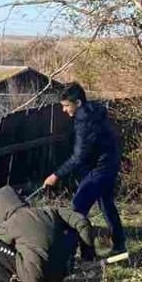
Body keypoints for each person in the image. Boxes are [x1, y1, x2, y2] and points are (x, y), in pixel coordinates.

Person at [42, 83, 127, 263]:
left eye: (66, 105)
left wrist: (55, 175)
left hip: (100, 169)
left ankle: (84, 256)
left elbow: (78, 156)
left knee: (77, 211)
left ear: (78, 102)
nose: (64, 110)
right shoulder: (94, 111)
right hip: (109, 164)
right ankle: (119, 246)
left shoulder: (84, 122)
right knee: (107, 206)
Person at [0, 186, 96, 282]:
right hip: (61, 274)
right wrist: (88, 255)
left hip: (34, 278)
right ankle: (66, 267)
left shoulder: (8, 225)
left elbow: (2, 255)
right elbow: (82, 221)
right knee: (71, 229)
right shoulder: (50, 211)